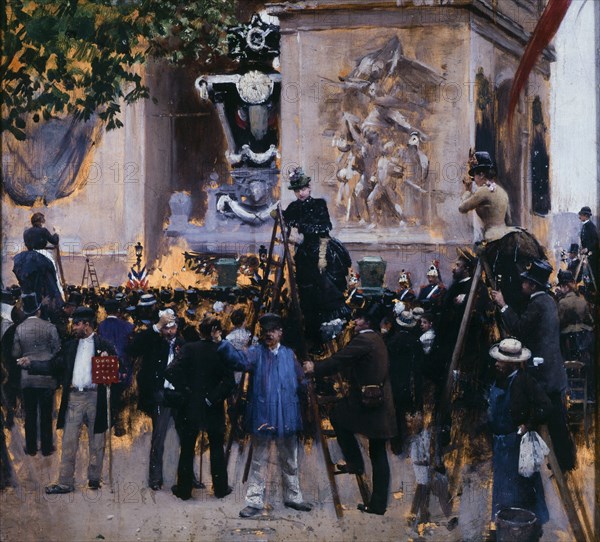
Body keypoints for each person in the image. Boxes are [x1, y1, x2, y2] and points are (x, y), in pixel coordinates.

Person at [304, 306, 397, 516]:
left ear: (368, 323)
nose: (355, 322)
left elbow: (340, 359)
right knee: (378, 452)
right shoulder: (376, 339)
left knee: (337, 416)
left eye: (359, 319)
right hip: (380, 403)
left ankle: (355, 462)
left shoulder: (364, 340)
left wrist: (315, 368)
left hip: (370, 404)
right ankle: (378, 505)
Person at [19, 306, 117, 493]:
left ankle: (94, 479)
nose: (73, 327)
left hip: (96, 397)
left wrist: (108, 361)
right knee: (69, 442)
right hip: (73, 398)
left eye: (76, 324)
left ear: (86, 325)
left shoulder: (104, 345)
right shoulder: (70, 346)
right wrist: (32, 364)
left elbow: (115, 373)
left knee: (97, 441)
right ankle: (65, 482)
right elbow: (54, 365)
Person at [491, 259, 576, 471]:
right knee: (557, 421)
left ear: (533, 286)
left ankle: (550, 465)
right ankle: (566, 463)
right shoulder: (548, 300)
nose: (523, 284)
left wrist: (503, 305)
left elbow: (519, 328)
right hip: (553, 371)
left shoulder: (537, 303)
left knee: (542, 418)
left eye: (526, 282)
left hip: (543, 373)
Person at [236, 313, 312, 518]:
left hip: (287, 416)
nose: (268, 334)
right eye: (265, 331)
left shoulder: (289, 354)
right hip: (263, 416)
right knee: (259, 461)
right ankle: (254, 502)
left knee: (290, 460)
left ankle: (294, 498)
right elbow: (238, 361)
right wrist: (222, 343)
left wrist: (307, 382)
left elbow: (301, 379)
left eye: (272, 330)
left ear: (280, 333)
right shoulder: (255, 353)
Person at [459, 151, 546, 314]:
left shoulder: (483, 191)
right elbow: (508, 218)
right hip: (508, 232)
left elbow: (462, 207)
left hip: (494, 237)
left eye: (475, 175)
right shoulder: (501, 191)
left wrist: (466, 190)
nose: (474, 180)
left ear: (481, 174)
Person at [165, 317, 238, 501]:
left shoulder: (189, 348)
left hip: (192, 405)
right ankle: (220, 488)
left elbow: (170, 371)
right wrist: (213, 398)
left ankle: (184, 490)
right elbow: (230, 381)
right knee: (216, 447)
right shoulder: (222, 351)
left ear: (201, 331)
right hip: (213, 406)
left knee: (188, 447)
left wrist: (187, 390)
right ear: (216, 332)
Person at [282, 167, 351, 345]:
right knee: (306, 294)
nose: (300, 193)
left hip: (321, 250)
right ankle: (310, 335)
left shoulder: (319, 204)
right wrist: (275, 214)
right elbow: (283, 218)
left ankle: (326, 337)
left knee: (324, 291)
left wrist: (321, 258)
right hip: (304, 254)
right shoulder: (293, 207)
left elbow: (324, 229)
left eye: (303, 189)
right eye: (297, 190)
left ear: (309, 188)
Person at [488, 338, 551, 533]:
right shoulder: (499, 378)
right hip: (500, 445)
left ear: (513, 363)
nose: (497, 363)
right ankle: (505, 527)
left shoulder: (524, 380)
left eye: (501, 361)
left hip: (516, 446)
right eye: (497, 359)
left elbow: (546, 407)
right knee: (502, 491)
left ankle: (525, 529)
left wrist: (528, 425)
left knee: (520, 492)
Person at [127, 308, 184, 490]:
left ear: (177, 327)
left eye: (172, 327)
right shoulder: (153, 342)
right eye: (165, 328)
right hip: (161, 396)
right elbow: (134, 348)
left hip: (180, 396)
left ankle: (188, 476)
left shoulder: (184, 343)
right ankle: (155, 478)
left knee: (187, 439)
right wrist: (156, 327)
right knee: (158, 439)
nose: (169, 331)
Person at [12, 293, 60, 456]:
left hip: (28, 378)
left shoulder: (19, 328)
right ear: (38, 310)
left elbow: (16, 352)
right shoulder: (50, 327)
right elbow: (56, 350)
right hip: (47, 377)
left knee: (30, 414)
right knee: (46, 414)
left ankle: (31, 447)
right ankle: (46, 447)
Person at [384, 310, 423, 455]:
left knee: (395, 412)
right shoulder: (415, 342)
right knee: (404, 410)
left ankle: (396, 442)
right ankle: (407, 441)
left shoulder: (392, 340)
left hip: (394, 380)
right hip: (409, 381)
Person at [97, 298, 135, 436]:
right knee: (122, 395)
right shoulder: (128, 326)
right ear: (118, 310)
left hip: (107, 364)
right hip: (124, 364)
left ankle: (109, 420)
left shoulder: (101, 326)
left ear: (106, 311)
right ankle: (120, 423)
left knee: (109, 392)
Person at [13, 212, 64, 311]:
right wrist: (57, 232)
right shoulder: (43, 230)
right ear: (41, 221)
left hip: (27, 256)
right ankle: (55, 302)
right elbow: (54, 241)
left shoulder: (26, 232)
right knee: (52, 274)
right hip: (41, 254)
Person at [556, 270, 594, 399]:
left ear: (565, 286)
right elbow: (589, 320)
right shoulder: (582, 301)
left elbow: (559, 323)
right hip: (583, 343)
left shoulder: (563, 303)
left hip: (568, 345)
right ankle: (587, 395)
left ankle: (569, 395)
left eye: (561, 286)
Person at [577, 205, 599, 282]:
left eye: (581, 215)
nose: (579, 217)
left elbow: (596, 241)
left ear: (586, 216)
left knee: (592, 274)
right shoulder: (584, 225)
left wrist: (587, 248)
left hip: (592, 255)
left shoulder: (591, 226)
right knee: (586, 274)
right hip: (586, 254)